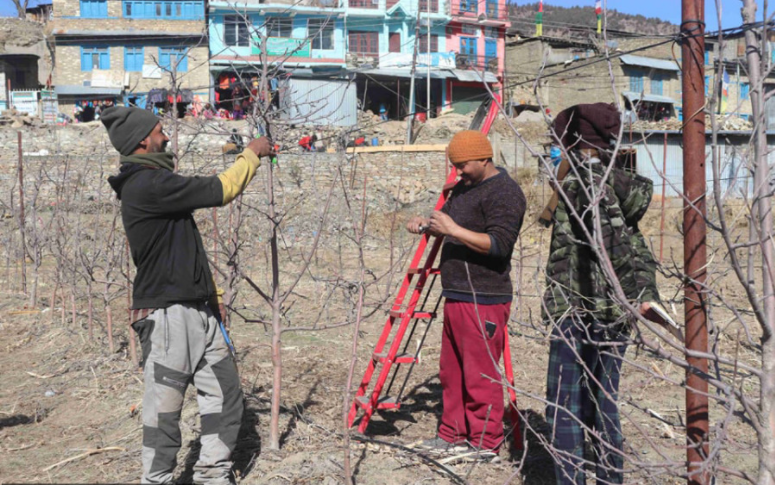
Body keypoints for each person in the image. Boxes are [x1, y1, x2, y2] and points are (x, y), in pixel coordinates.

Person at [103, 107, 274, 485]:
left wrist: (212, 303)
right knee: (165, 410)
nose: (167, 138)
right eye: (161, 132)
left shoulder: (157, 184)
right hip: (168, 317)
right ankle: (158, 479)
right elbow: (221, 189)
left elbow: (185, 255)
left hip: (197, 312)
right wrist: (253, 154)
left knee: (226, 395)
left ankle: (211, 475)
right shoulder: (148, 185)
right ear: (142, 141)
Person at [544, 103, 663, 484]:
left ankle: (574, 478)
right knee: (602, 401)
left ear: (579, 144)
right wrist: (640, 294)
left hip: (580, 309)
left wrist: (627, 298)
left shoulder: (588, 185)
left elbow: (612, 248)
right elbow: (635, 246)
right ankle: (609, 478)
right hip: (609, 310)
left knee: (566, 405)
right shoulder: (614, 181)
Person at [406, 130, 526, 458]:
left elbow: (499, 245)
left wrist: (453, 230)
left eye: (463, 165)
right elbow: (450, 224)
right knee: (452, 370)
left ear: (484, 158)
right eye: (455, 165)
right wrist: (426, 224)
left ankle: (485, 443)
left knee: (480, 374)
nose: (458, 171)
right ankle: (453, 434)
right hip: (457, 293)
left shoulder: (505, 192)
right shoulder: (465, 186)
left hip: (484, 296)